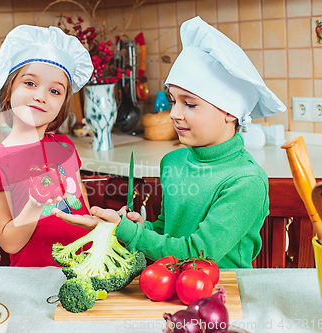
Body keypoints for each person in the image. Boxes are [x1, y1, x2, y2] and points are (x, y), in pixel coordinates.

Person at [53, 16, 286, 268]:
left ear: (230, 112)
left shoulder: (245, 181)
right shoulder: (173, 161)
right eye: (173, 100)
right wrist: (141, 227)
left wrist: (127, 232)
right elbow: (169, 231)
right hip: (170, 284)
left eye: (190, 103)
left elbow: (197, 252)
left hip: (223, 294)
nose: (174, 113)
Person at [0, 25, 94, 267]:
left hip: (86, 272)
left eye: (55, 91)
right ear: (8, 91)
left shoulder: (66, 146)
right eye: (30, 83)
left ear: (62, 105)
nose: (41, 96)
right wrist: (36, 204)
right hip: (34, 284)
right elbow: (9, 243)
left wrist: (111, 222)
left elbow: (85, 216)